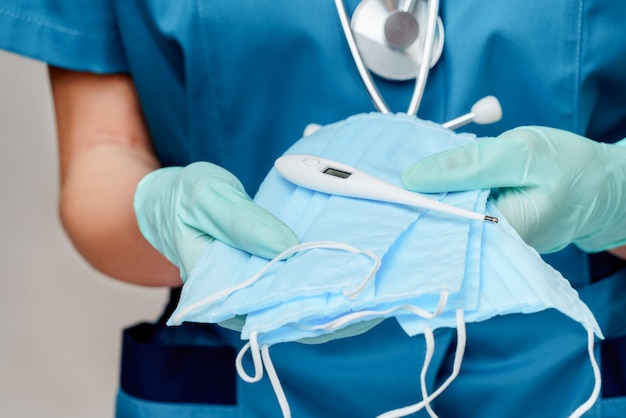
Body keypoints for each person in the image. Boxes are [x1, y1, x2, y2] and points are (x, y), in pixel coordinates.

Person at [1, 1, 626, 416]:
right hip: (242, 378)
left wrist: (611, 196)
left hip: (574, 371)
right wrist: (163, 216)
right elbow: (102, 153)